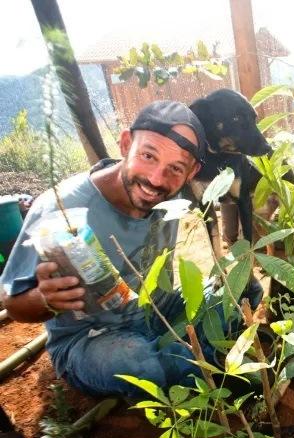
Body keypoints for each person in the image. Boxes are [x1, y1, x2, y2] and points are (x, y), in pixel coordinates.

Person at [0, 100, 262, 398]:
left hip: (164, 310)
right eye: (148, 155)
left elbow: (233, 186)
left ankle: (194, 362)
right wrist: (45, 299)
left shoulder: (174, 197)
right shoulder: (61, 208)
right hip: (94, 338)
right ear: (126, 143)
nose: (155, 179)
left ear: (191, 173)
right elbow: (12, 300)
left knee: (243, 293)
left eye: (175, 168)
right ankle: (205, 372)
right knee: (141, 365)